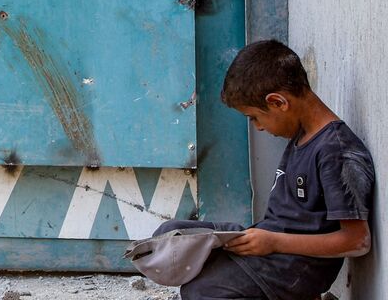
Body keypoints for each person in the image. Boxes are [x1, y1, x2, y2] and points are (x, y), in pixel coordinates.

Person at [154, 39, 374, 299]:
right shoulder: (302, 135)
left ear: (278, 102)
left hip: (290, 268)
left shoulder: (335, 152)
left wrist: (273, 242)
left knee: (201, 292)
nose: (258, 127)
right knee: (168, 235)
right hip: (272, 246)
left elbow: (357, 241)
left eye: (255, 117)